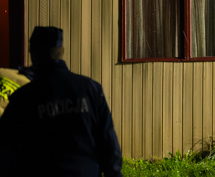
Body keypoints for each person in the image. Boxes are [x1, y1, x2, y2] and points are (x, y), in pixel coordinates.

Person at [0, 26, 123, 176]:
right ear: (62, 51)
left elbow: (6, 149)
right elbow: (108, 142)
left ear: (33, 54)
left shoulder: (24, 98)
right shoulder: (91, 89)